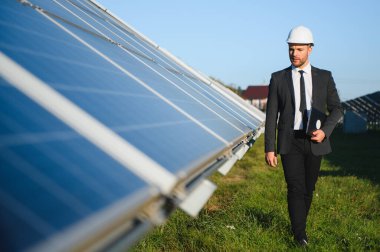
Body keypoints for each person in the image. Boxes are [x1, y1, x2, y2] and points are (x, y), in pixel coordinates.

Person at [264, 25, 343, 246]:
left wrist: (325, 131)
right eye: (291, 49)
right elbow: (271, 116)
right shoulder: (278, 78)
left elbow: (337, 109)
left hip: (315, 141)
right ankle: (300, 236)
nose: (294, 53)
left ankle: (300, 225)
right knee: (295, 187)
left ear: (310, 49)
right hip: (290, 142)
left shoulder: (324, 77)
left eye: (299, 49)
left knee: (309, 188)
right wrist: (270, 147)